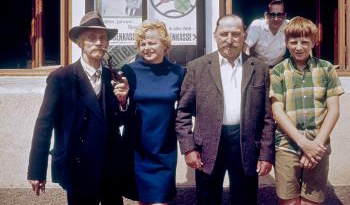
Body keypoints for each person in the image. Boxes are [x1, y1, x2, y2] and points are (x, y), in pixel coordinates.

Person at [27, 11, 129, 205]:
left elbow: (116, 123)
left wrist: (123, 103)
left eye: (103, 38)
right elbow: (44, 125)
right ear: (80, 42)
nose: (98, 43)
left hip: (110, 167)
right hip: (77, 167)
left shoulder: (114, 77)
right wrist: (36, 170)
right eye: (91, 38)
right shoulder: (61, 78)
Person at [175, 14, 276, 205]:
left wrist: (266, 153)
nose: (229, 40)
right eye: (224, 34)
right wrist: (188, 148)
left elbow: (267, 117)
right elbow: (183, 112)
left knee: (245, 199)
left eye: (235, 34)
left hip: (245, 143)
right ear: (215, 35)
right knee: (207, 199)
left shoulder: (259, 68)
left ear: (244, 35)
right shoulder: (197, 67)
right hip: (208, 145)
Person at [270, 16, 344, 205]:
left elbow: (333, 111)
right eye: (293, 42)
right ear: (286, 43)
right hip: (287, 147)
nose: (299, 47)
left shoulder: (327, 69)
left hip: (318, 146)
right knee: (289, 201)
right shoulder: (278, 72)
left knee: (312, 201)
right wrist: (304, 143)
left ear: (314, 41)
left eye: (304, 42)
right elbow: (277, 111)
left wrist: (315, 145)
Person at [120, 20, 184, 205]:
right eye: (143, 43)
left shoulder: (177, 73)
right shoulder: (129, 71)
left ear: (164, 44)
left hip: (164, 148)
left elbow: (185, 110)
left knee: (159, 200)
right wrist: (122, 101)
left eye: (152, 42)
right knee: (143, 200)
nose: (146, 47)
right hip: (137, 148)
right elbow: (119, 111)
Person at [245, 0, 289, 67]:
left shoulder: (289, 25)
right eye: (272, 15)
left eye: (280, 15)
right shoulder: (257, 26)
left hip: (279, 67)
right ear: (266, 15)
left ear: (285, 15)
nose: (276, 19)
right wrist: (248, 66)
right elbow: (245, 47)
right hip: (258, 67)